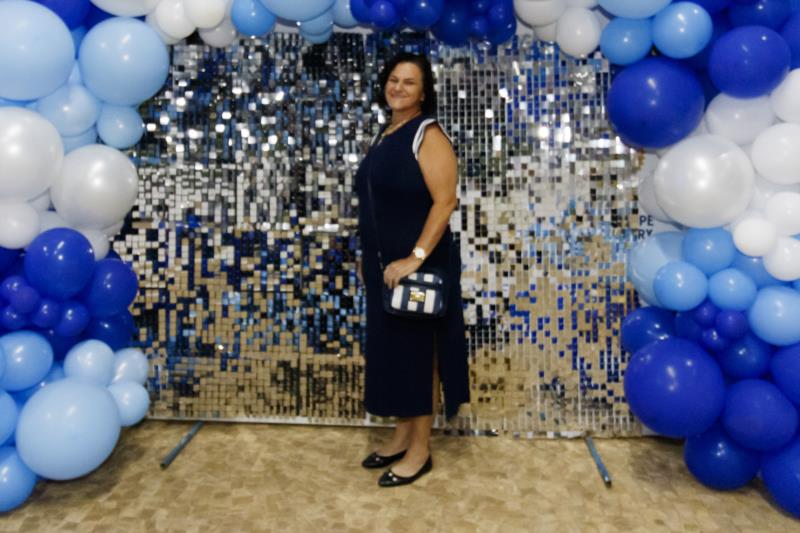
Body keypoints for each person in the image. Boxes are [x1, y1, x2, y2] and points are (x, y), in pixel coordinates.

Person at [354, 52, 470, 487]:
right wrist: (368, 256)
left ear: (423, 92)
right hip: (385, 269)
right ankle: (403, 436)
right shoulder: (387, 132)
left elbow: (445, 201)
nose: (398, 87)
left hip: (417, 269)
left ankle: (420, 451)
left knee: (419, 357)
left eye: (409, 82)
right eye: (393, 79)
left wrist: (415, 257)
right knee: (396, 354)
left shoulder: (428, 134)